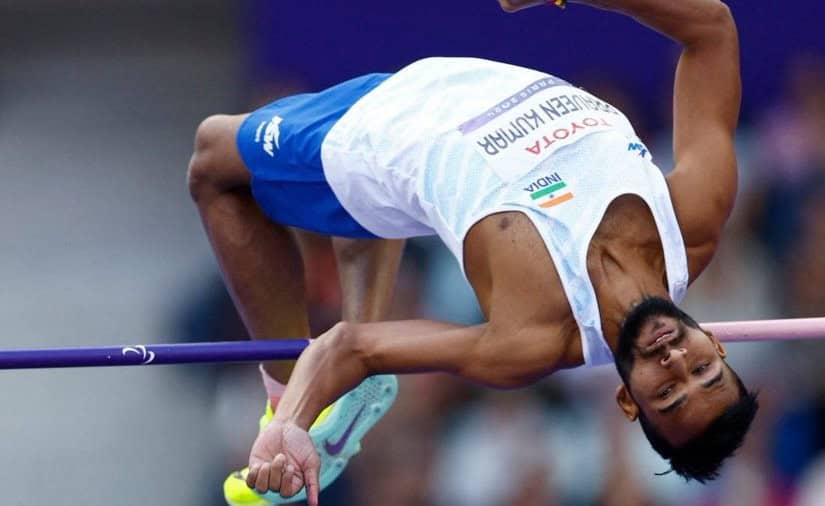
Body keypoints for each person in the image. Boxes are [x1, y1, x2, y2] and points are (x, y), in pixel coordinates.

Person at [187, 0, 759, 503]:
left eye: (666, 391)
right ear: (714, 344)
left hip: (385, 130)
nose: (676, 361)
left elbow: (352, 347)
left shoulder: (530, 338)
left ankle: (284, 385)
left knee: (213, 161)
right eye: (704, 370)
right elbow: (712, 28)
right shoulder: (694, 222)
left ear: (627, 399)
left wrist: (291, 421)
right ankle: (341, 390)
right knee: (371, 209)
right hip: (447, 87)